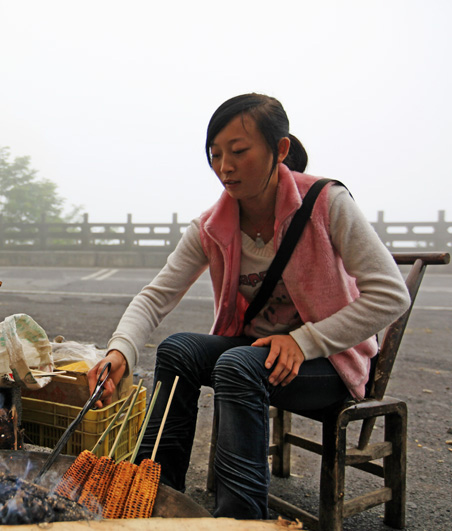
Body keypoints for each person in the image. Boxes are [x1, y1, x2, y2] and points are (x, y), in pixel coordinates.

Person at [86, 93, 411, 519]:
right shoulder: (212, 225)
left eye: (239, 151)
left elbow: (391, 294)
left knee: (236, 366)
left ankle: (240, 522)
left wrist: (304, 341)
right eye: (215, 154)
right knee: (177, 350)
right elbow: (155, 296)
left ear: (280, 150)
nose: (225, 166)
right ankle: (157, 496)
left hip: (327, 361)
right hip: (255, 353)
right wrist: (119, 352)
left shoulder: (326, 203)